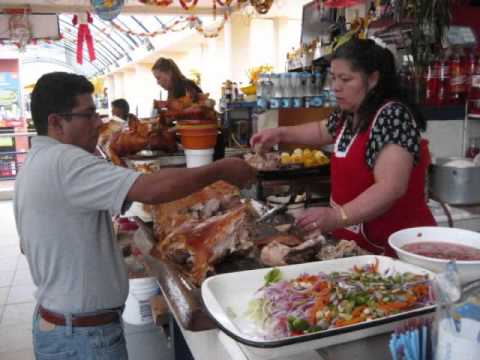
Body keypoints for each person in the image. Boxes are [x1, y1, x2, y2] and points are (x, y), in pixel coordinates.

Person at [14, 72, 256, 359]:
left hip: (64, 328)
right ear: (56, 122)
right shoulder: (64, 161)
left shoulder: (35, 162)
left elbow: (33, 243)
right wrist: (220, 169)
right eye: (89, 114)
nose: (99, 123)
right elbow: (150, 189)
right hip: (84, 340)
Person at [251, 38, 436, 256]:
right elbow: (322, 131)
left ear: (373, 79)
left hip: (395, 248)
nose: (336, 87)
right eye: (334, 78)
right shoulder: (351, 112)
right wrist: (281, 133)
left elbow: (391, 187)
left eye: (346, 79)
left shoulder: (392, 115)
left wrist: (337, 216)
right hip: (358, 243)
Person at [152, 57, 225, 159]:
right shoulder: (173, 91)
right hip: (198, 141)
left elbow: (196, 117)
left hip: (208, 140)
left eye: (158, 78)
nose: (158, 82)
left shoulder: (186, 86)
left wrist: (169, 129)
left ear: (169, 73)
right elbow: (178, 117)